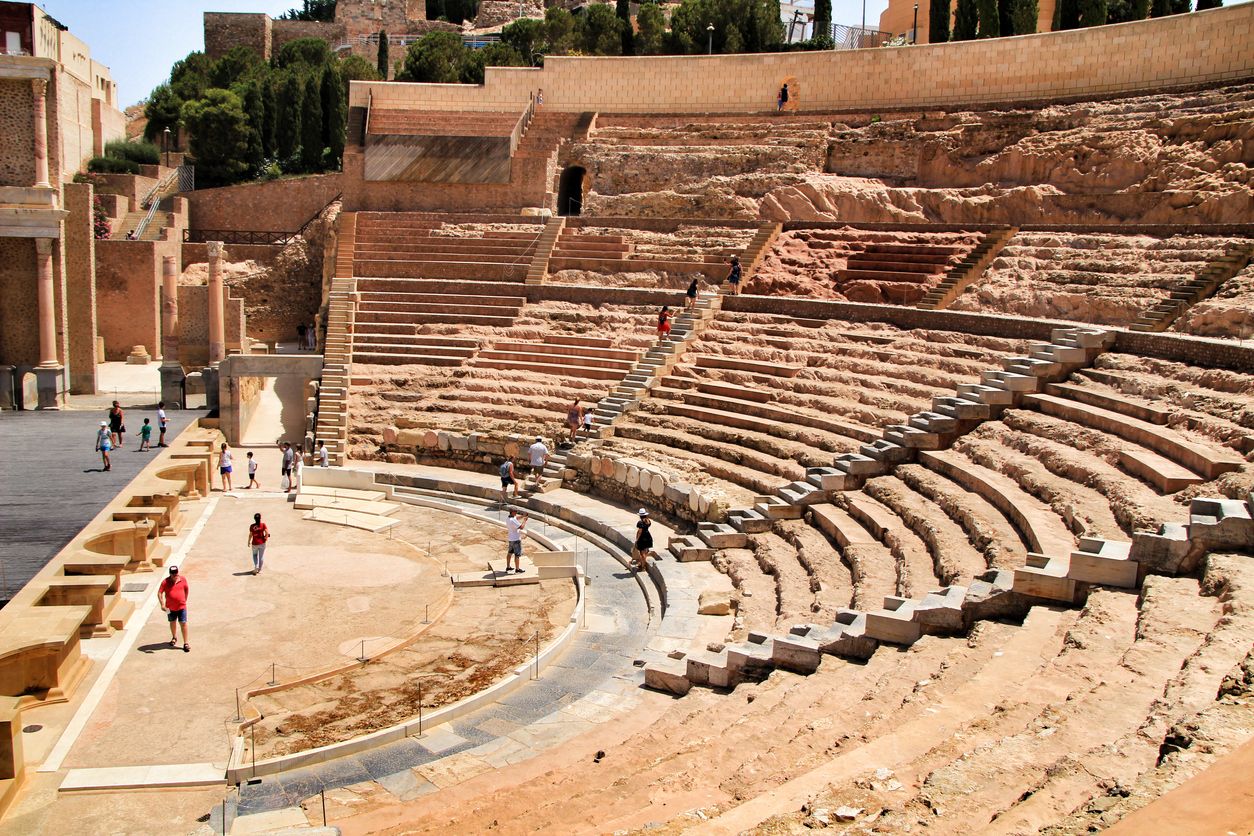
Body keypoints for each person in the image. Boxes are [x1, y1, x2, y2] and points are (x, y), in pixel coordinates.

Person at [157, 565, 190, 652]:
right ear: (170, 574)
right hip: (169, 608)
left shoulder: (183, 580)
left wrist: (184, 600)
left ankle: (186, 643)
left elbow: (186, 589)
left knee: (183, 623)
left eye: (176, 573)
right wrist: (162, 604)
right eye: (173, 574)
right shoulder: (165, 582)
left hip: (182, 607)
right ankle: (174, 637)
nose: (174, 575)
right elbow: (159, 593)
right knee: (172, 622)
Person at [505, 508, 527, 574]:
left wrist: (523, 516)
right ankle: (517, 569)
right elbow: (522, 527)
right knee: (517, 555)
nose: (516, 512)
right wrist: (524, 520)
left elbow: (516, 518)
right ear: (512, 512)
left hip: (511, 539)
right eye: (516, 511)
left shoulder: (508, 518)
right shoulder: (512, 521)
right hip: (516, 539)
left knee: (509, 553)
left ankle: (508, 567)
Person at [633, 508, 655, 573]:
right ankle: (641, 564)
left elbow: (640, 531)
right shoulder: (648, 521)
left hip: (642, 538)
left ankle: (643, 567)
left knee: (642, 553)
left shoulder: (640, 522)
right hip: (648, 537)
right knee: (645, 552)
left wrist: (637, 539)